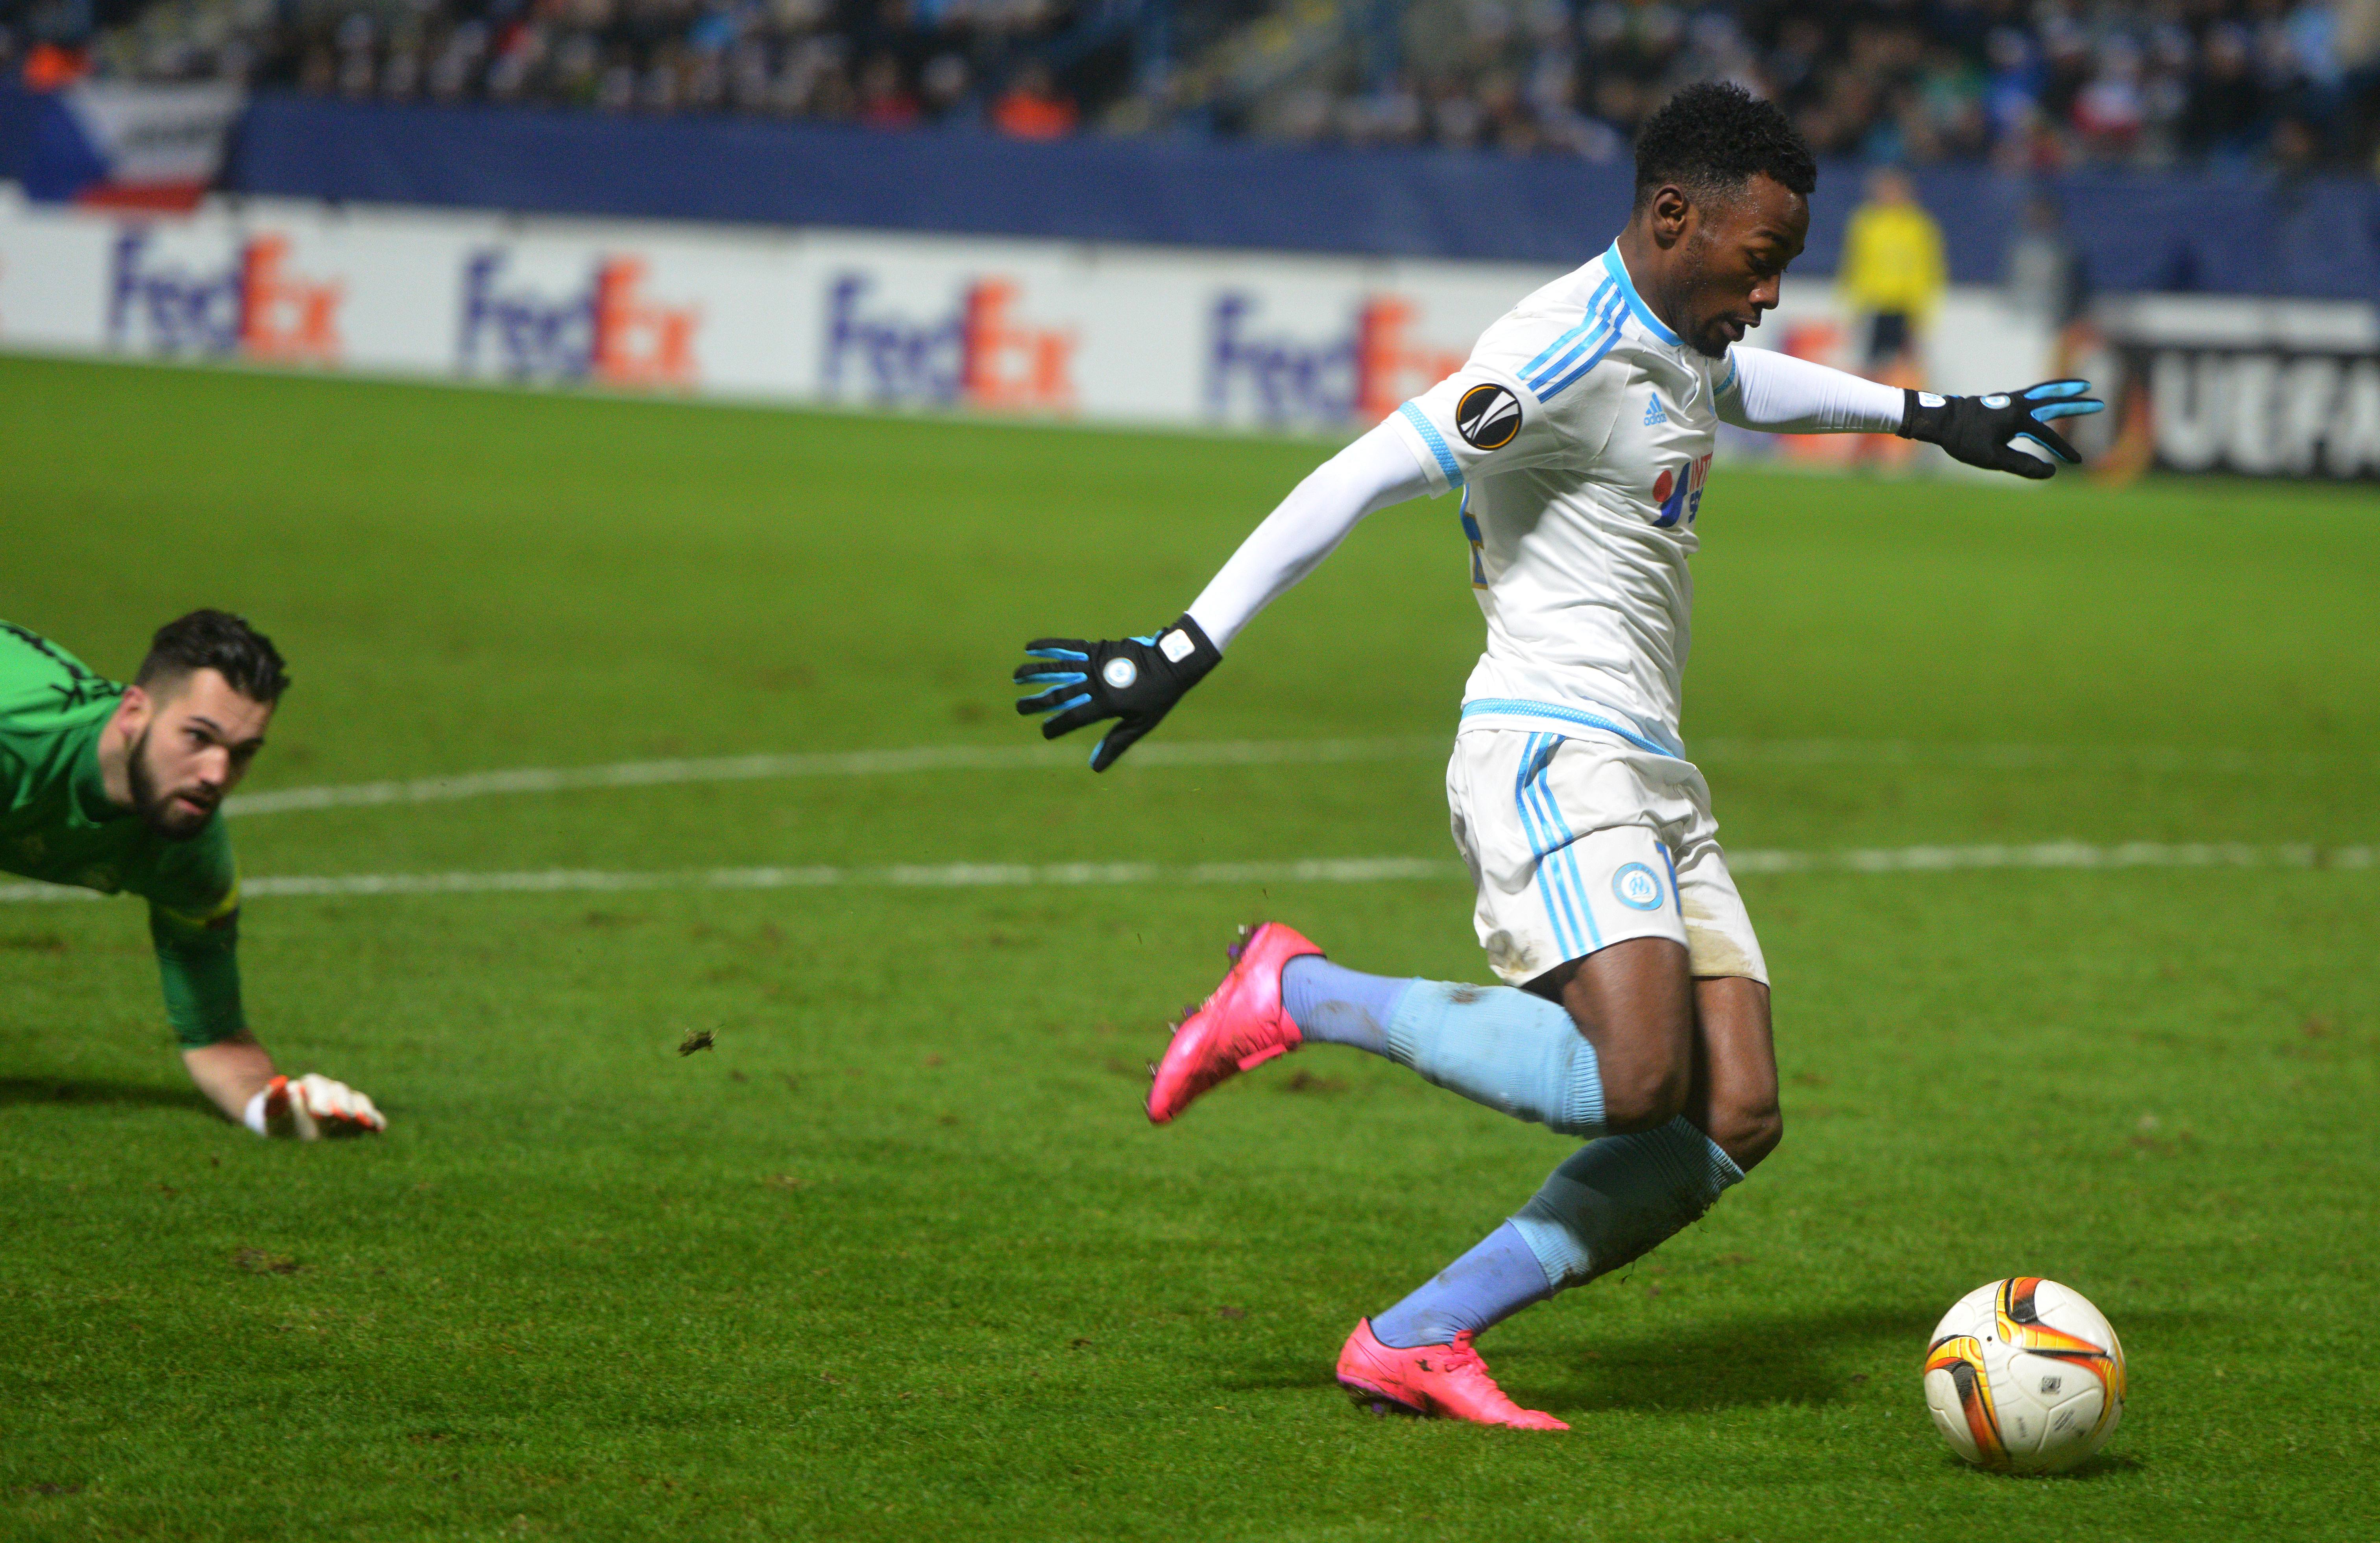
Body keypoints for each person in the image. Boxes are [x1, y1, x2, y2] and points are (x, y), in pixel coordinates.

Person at [1013, 82, 2099, 1430]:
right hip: (1547, 744)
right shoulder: (1556, 349)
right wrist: (1185, 643)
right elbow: (1363, 469)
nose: (1767, 292)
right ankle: (1296, 988)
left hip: (1650, 762)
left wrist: (1924, 414)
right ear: (1669, 216)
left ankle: (1413, 1337)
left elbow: (1730, 382)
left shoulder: (1676, 333)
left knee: (1735, 1114)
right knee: (1633, 1080)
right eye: (1759, 261)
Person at [1, 612, 386, 1140]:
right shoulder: (15, 742)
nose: (216, 776)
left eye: (242, 753)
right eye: (199, 737)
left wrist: (276, 1107)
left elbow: (216, 1039)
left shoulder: (189, 854)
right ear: (134, 712)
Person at [1837, 165, 1947, 468]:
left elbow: (1929, 271)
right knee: (1870, 378)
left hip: (1905, 309)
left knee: (1908, 377)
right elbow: (1855, 266)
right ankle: (1864, 445)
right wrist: (1855, 308)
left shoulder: (1919, 226)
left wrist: (1922, 313)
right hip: (1876, 307)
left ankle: (1909, 448)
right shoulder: (1866, 223)